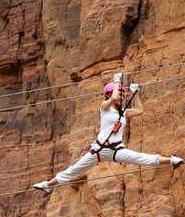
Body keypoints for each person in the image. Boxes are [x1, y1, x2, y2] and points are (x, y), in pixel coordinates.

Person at [34, 73, 182, 194]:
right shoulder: (104, 107)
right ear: (109, 94)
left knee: (141, 158)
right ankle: (48, 184)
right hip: (98, 150)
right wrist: (117, 81)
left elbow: (140, 111)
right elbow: (114, 98)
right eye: (120, 93)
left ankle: (171, 161)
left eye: (123, 95)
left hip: (116, 150)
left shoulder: (123, 113)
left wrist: (134, 94)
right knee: (73, 171)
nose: (122, 97)